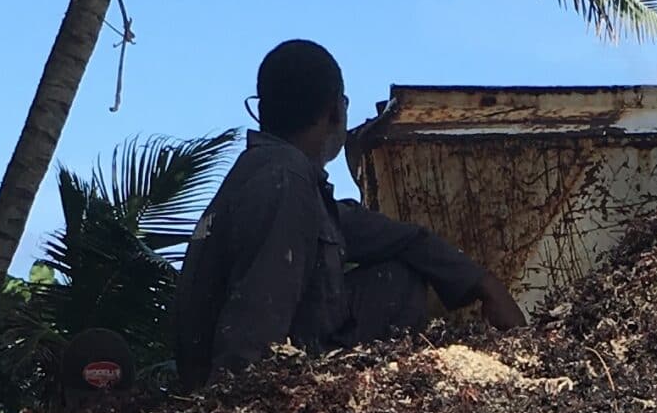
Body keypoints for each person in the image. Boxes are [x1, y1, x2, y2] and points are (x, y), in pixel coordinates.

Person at [173, 39, 524, 390]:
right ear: (335, 113)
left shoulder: (269, 175)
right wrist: (237, 408)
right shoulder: (286, 180)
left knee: (398, 271)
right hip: (266, 388)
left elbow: (404, 238)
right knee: (398, 285)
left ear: (261, 111)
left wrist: (483, 283)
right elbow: (254, 323)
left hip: (252, 366)